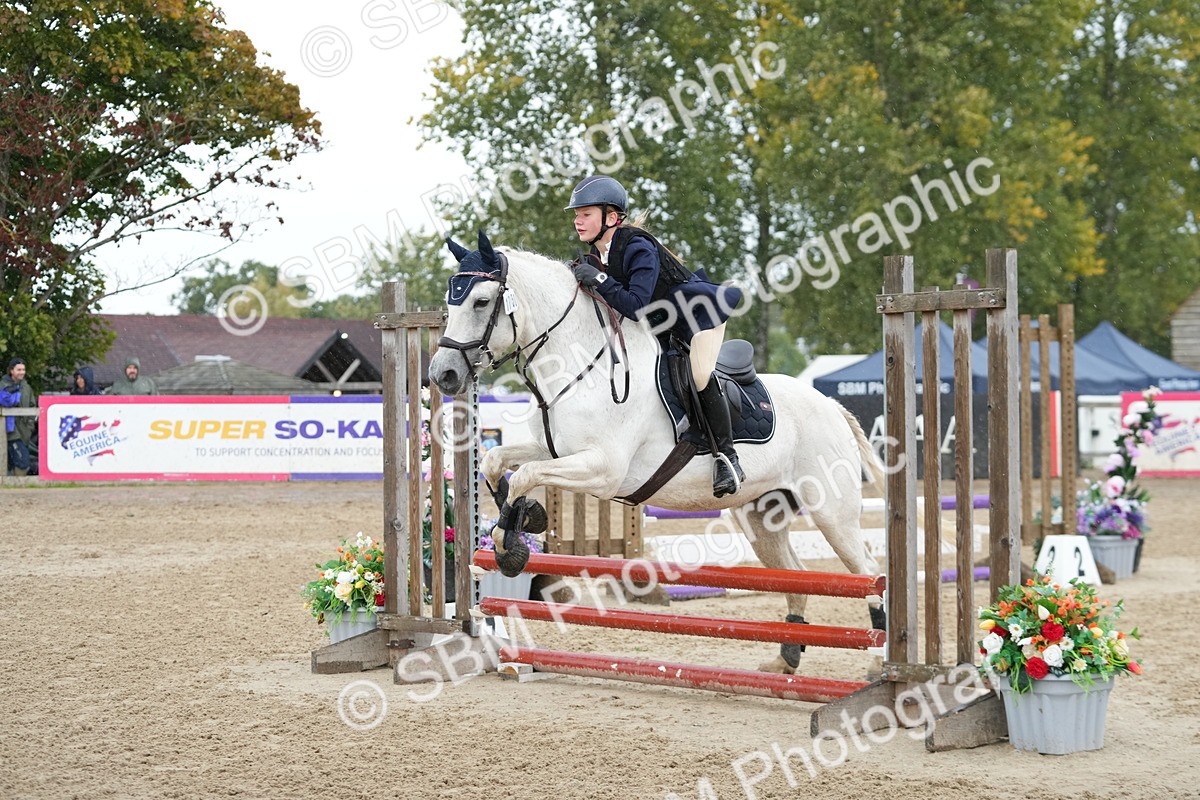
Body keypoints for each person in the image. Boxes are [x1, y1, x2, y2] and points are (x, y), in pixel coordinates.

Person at [565, 175, 746, 497]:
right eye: (576, 214)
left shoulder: (637, 247)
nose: (578, 221)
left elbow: (634, 306)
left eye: (586, 214)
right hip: (661, 325)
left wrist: (600, 279)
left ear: (611, 217)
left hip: (698, 316)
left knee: (699, 374)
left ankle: (727, 457)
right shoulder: (596, 255)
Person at [1, 357, 36, 476]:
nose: (22, 372)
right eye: (19, 369)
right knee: (22, 461)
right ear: (11, 370)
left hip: (25, 432)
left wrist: (30, 426)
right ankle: (19, 487)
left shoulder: (27, 387)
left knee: (14, 461)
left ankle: (13, 489)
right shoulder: (3, 385)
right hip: (10, 431)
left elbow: (32, 406)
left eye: (23, 369)